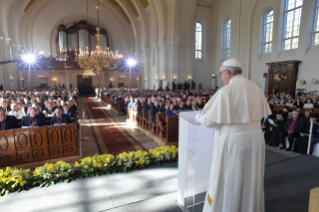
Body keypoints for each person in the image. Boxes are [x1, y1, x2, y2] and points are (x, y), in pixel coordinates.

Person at [195, 58, 271, 212]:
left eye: (221, 74)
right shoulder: (256, 88)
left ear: (228, 73)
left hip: (234, 142)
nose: (221, 77)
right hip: (255, 140)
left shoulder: (226, 91)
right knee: (250, 177)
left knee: (231, 179)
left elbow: (210, 121)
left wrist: (200, 116)